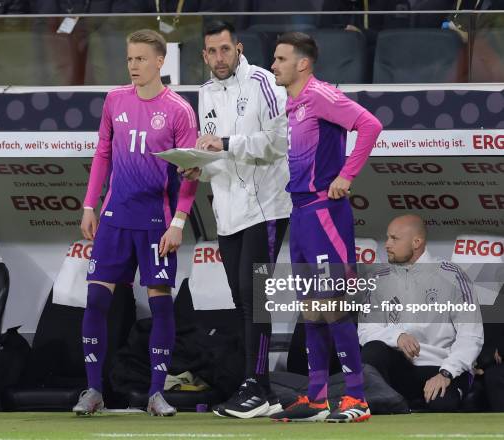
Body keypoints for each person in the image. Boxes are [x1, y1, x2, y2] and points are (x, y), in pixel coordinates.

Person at [72, 29, 199, 417]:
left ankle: (156, 393)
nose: (133, 66)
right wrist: (89, 205)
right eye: (129, 59)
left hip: (155, 222)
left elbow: (190, 173)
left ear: (160, 61)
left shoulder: (179, 109)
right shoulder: (115, 100)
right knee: (96, 300)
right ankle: (93, 390)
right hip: (114, 218)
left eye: (141, 59)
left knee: (161, 307)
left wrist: (178, 222)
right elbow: (102, 154)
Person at [269, 32, 382, 422]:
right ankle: (316, 397)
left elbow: (370, 125)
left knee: (332, 306)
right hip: (299, 213)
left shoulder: (320, 95)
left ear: (303, 63)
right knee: (311, 309)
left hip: (324, 213)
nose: (274, 65)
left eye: (281, 59)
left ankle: (357, 398)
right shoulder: (293, 102)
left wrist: (347, 175)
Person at [183, 20, 291, 419]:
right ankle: (260, 389)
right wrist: (199, 168)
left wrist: (226, 144)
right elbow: (215, 158)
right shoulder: (205, 92)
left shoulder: (264, 82)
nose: (218, 58)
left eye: (225, 49)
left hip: (265, 208)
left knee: (254, 300)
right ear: (203, 55)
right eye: (211, 52)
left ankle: (258, 387)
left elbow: (280, 142)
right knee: (242, 302)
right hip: (226, 213)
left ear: (239, 48)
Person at [359, 214, 484, 411]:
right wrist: (397, 336)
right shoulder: (378, 278)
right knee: (373, 349)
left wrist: (447, 373)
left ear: (417, 242)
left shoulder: (453, 276)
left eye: (394, 238)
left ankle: (405, 403)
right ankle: (388, 403)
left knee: (443, 405)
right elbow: (365, 331)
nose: (387, 245)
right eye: (387, 238)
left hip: (441, 367)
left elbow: (471, 335)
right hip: (401, 368)